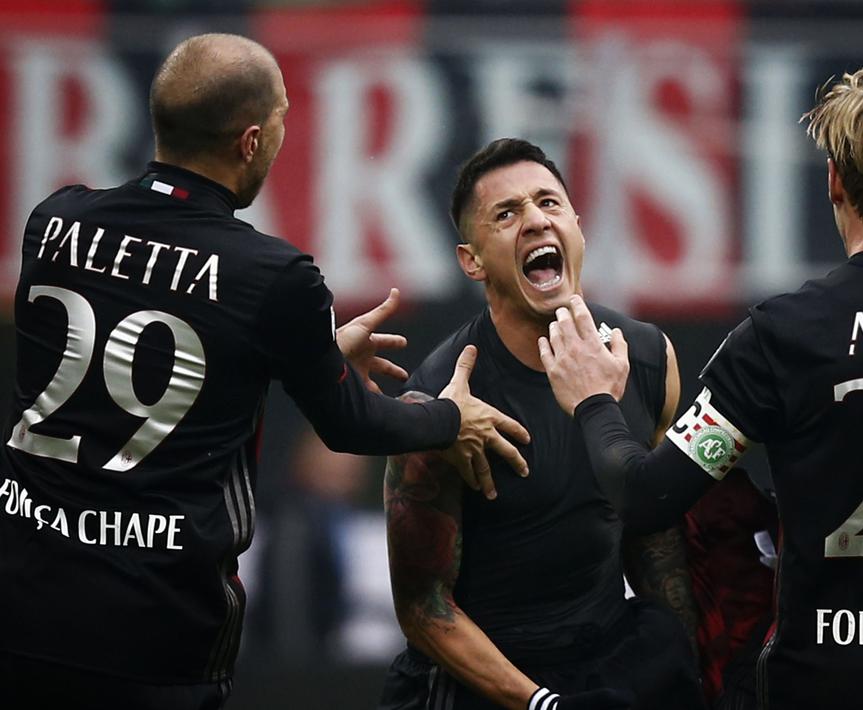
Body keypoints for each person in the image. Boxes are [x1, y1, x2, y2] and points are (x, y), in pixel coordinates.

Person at [0, 33, 529, 710]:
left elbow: (151, 336)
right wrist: (452, 415)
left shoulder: (53, 221)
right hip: (154, 636)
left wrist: (314, 351)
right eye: (279, 122)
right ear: (250, 141)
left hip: (23, 614)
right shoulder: (271, 276)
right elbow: (352, 424)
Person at [537, 58, 863, 709]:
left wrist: (595, 400)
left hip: (820, 682)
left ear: (832, 182)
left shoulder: (783, 336)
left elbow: (649, 496)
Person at [378, 138, 705, 710]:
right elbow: (423, 609)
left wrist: (693, 674)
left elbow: (654, 540)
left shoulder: (649, 358)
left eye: (549, 204)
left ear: (578, 226)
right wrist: (539, 704)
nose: (534, 220)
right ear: (471, 260)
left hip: (606, 665)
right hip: (488, 683)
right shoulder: (441, 399)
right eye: (506, 214)